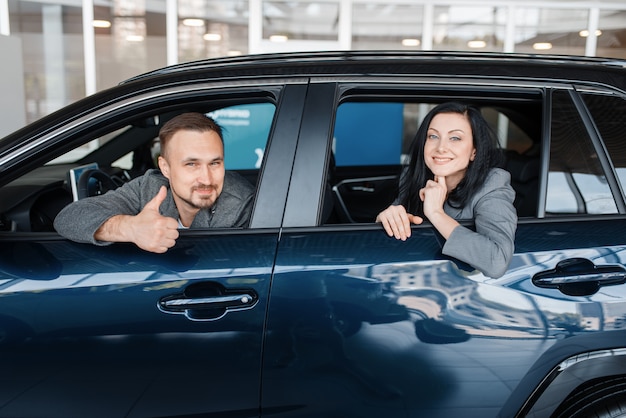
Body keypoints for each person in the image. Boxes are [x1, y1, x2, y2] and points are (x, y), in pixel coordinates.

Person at [54, 112, 255, 253]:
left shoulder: (241, 208)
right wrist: (130, 228)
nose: (207, 178)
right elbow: (69, 218)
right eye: (192, 164)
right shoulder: (151, 186)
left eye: (215, 163)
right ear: (165, 168)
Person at [375, 102, 517, 278]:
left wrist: (436, 213)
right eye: (433, 136)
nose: (441, 147)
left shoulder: (492, 184)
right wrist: (386, 219)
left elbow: (497, 261)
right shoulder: (415, 177)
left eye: (455, 138)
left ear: (474, 151)